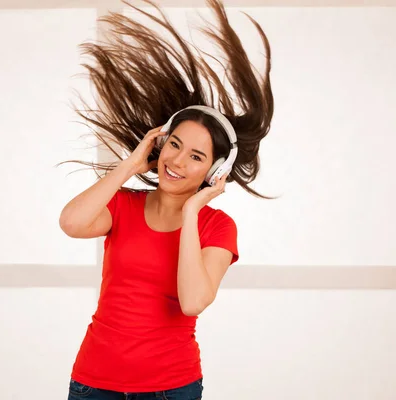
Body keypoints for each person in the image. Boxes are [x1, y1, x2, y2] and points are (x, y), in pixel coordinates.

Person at [58, 0, 274, 398]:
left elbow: (193, 301)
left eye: (196, 156)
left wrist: (192, 210)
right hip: (93, 383)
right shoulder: (122, 205)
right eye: (174, 145)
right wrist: (130, 165)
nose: (177, 160)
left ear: (214, 170)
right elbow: (71, 223)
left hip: (170, 388)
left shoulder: (216, 226)